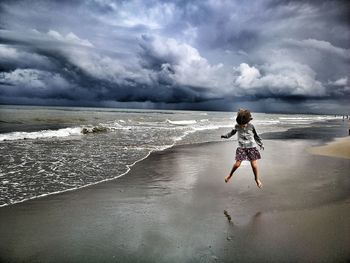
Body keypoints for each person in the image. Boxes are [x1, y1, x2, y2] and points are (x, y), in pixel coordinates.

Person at [221, 109, 264, 188]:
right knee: (237, 164)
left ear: (247, 121)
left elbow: (256, 135)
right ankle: (230, 175)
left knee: (254, 166)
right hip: (241, 148)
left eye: (243, 124)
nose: (241, 126)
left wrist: (260, 144)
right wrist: (225, 136)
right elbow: (232, 133)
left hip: (251, 147)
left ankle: (256, 179)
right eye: (240, 124)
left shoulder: (251, 126)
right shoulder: (237, 126)